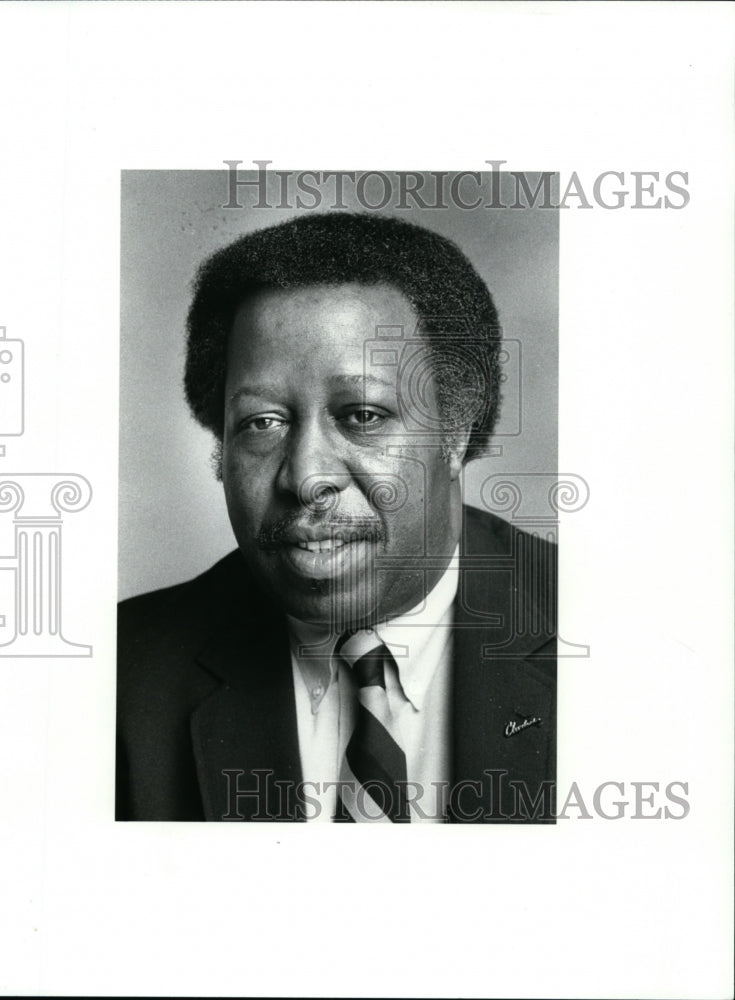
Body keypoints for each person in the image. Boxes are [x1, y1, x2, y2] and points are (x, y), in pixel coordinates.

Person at [116, 212, 556, 823]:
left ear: (456, 431)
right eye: (261, 423)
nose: (305, 476)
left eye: (362, 415)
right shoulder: (114, 680)